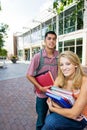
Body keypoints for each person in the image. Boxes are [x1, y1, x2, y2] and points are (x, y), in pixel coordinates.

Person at [42, 51, 87, 130]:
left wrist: (53, 108)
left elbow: (74, 114)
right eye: (61, 65)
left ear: (76, 64)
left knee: (50, 121)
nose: (64, 68)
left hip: (81, 118)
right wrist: (69, 112)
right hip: (68, 113)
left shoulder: (85, 81)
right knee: (51, 120)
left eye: (68, 64)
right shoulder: (60, 79)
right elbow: (50, 99)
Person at [26, 31, 58, 130]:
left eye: (54, 39)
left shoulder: (59, 56)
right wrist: (40, 87)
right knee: (41, 120)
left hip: (55, 94)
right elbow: (29, 75)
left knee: (55, 119)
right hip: (42, 95)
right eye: (49, 38)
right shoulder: (37, 56)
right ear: (44, 41)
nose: (51, 41)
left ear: (56, 41)